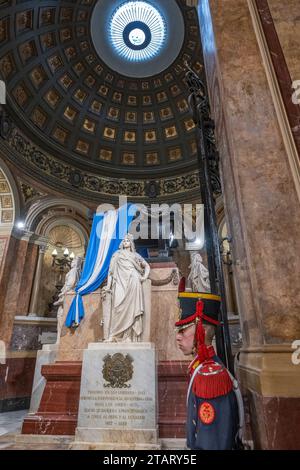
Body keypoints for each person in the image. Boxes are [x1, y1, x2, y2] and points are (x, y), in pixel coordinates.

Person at [175, 292, 241, 450]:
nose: (177, 337)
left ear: (201, 331)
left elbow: (213, 442)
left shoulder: (210, 376)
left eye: (183, 330)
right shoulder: (201, 368)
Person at [102, 233, 150, 342]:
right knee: (117, 307)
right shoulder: (117, 254)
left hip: (133, 281)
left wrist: (144, 277)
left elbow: (146, 266)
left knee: (132, 309)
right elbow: (111, 272)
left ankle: (128, 336)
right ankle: (113, 335)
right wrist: (108, 286)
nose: (125, 242)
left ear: (131, 243)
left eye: (128, 240)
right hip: (119, 282)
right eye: (124, 240)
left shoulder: (135, 255)